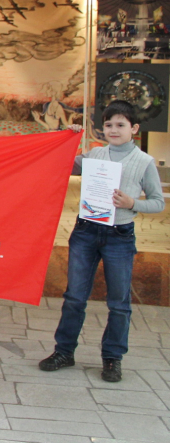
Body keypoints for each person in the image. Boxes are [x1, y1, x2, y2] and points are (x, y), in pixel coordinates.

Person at [40, 100, 165, 383]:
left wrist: (133, 203)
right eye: (108, 125)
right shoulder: (95, 155)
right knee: (74, 297)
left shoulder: (144, 162)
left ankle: (112, 358)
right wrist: (66, 136)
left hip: (119, 236)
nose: (113, 130)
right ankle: (64, 352)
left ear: (134, 128)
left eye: (120, 125)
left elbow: (158, 202)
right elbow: (62, 163)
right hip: (86, 232)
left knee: (119, 302)